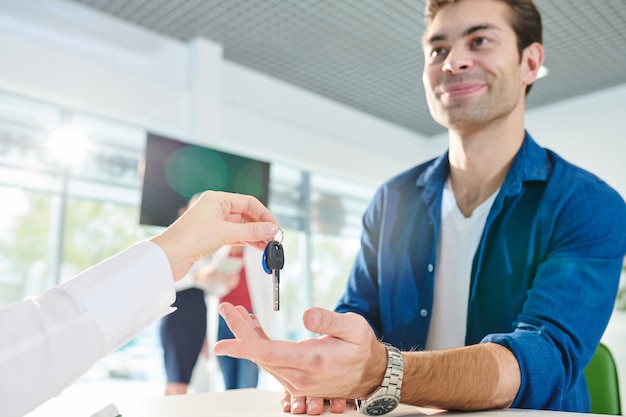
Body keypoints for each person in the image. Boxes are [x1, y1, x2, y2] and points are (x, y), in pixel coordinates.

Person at [214, 0, 626, 415]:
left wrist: (382, 372)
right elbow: (359, 313)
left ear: (530, 62)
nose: (453, 62)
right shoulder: (392, 199)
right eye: (438, 50)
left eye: (480, 41)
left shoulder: (588, 204)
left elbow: (543, 358)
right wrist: (327, 366)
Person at [0, 191, 279, 417]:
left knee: (234, 381)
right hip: (186, 317)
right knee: (183, 381)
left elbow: (31, 345)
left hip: (209, 314)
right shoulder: (205, 255)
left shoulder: (224, 253)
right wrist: (178, 259)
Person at [159, 194, 242, 395]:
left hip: (197, 316)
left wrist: (224, 284)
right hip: (178, 315)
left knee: (184, 382)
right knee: (177, 383)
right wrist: (196, 277)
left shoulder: (208, 246)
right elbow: (162, 279)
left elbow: (207, 288)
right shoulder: (173, 238)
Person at [214, 244, 274, 390]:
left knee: (247, 381)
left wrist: (269, 333)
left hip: (248, 319)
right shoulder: (221, 252)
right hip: (223, 321)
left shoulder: (258, 253)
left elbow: (267, 292)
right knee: (228, 383)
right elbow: (212, 289)